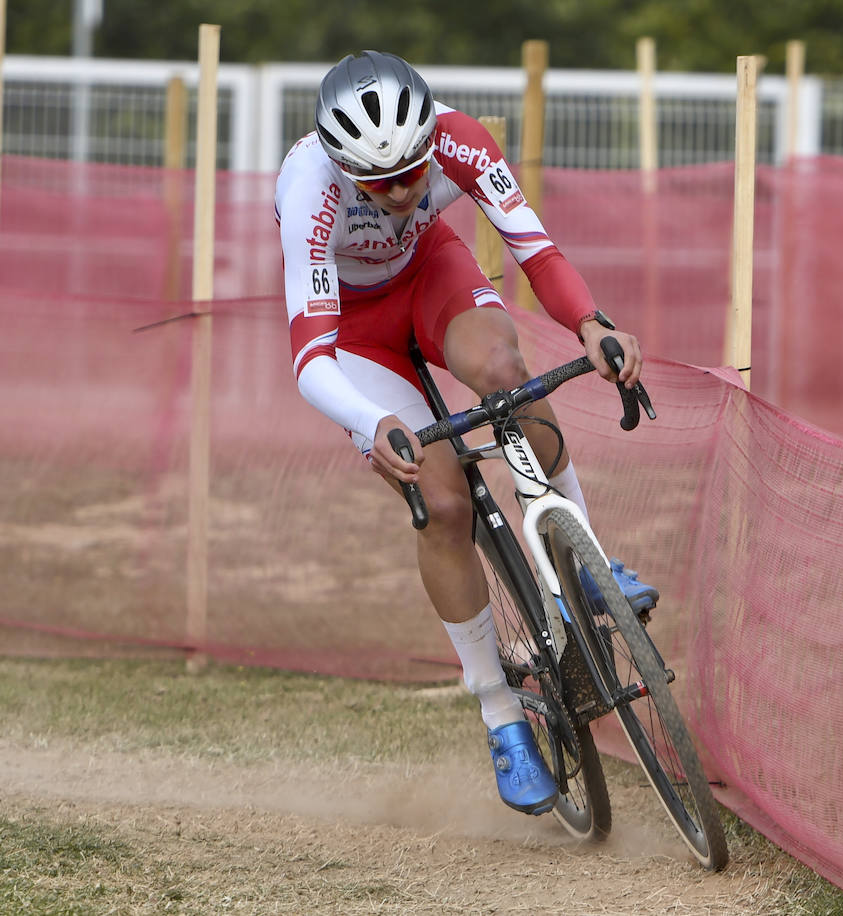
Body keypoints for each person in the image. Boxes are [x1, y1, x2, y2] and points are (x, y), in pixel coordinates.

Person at [274, 50, 658, 816]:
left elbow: (535, 249)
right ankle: (501, 716)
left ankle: (584, 559)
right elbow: (311, 356)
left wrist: (589, 322)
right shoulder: (308, 188)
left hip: (431, 277)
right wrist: (371, 420)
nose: (405, 191)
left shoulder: (460, 139)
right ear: (344, 167)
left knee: (505, 368)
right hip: (355, 335)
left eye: (415, 171)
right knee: (444, 504)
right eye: (380, 184)